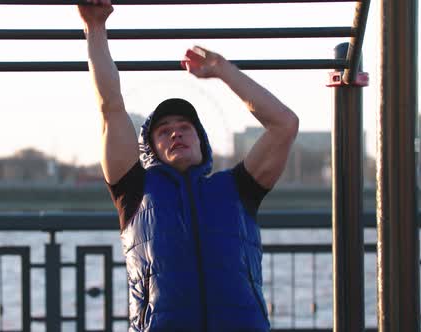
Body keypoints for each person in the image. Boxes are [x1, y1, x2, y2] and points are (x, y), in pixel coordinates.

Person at [78, 1, 299, 331]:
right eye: (164, 131)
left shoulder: (237, 187)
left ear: (201, 141)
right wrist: (95, 30)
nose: (175, 133)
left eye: (185, 127)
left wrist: (224, 70)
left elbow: (284, 124)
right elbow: (111, 107)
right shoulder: (134, 189)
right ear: (151, 148)